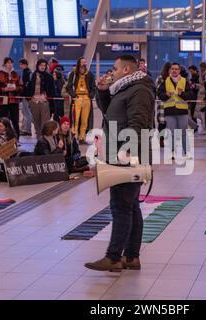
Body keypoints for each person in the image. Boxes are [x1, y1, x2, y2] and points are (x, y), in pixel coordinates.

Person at [85, 54, 155, 272]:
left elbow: (139, 124)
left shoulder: (140, 90)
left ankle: (114, 257)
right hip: (121, 154)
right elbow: (109, 114)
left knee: (121, 206)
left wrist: (124, 155)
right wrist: (103, 92)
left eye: (114, 69)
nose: (111, 72)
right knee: (131, 206)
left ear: (126, 70)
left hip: (128, 157)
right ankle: (132, 257)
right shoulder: (123, 88)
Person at [158, 62, 193, 158]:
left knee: (184, 132)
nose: (174, 70)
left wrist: (182, 94)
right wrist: (166, 95)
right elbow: (160, 95)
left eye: (176, 69)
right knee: (171, 133)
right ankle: (172, 152)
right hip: (170, 111)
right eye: (172, 69)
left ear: (179, 70)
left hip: (182, 111)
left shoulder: (185, 81)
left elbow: (191, 95)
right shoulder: (165, 82)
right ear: (170, 70)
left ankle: (187, 152)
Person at [66, 57, 96, 143]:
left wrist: (91, 96)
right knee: (75, 117)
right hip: (77, 98)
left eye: (85, 62)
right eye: (82, 62)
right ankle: (74, 135)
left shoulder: (89, 74)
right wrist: (73, 95)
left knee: (85, 119)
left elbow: (93, 87)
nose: (84, 64)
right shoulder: (73, 74)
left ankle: (82, 137)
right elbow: (69, 86)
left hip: (86, 98)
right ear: (79, 63)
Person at [0, 57, 23, 138]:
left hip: (14, 101)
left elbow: (21, 86)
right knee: (1, 119)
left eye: (11, 62)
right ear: (4, 64)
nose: (10, 64)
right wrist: (4, 89)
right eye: (8, 62)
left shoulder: (16, 74)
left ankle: (16, 138)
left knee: (15, 120)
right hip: (3, 100)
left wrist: (16, 88)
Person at [26, 59, 55, 140]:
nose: (43, 67)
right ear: (38, 66)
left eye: (44, 65)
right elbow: (28, 88)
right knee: (36, 121)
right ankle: (39, 139)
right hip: (34, 100)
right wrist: (28, 98)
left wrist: (51, 103)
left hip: (44, 101)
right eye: (41, 65)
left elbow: (52, 90)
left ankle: (45, 139)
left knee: (45, 122)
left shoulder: (48, 76)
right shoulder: (32, 75)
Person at [19, 58, 33, 137]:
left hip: (26, 96)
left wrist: (24, 94)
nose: (20, 66)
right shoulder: (27, 72)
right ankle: (25, 129)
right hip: (26, 96)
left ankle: (27, 130)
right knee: (25, 112)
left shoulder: (27, 73)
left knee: (27, 113)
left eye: (21, 64)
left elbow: (26, 85)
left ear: (25, 64)